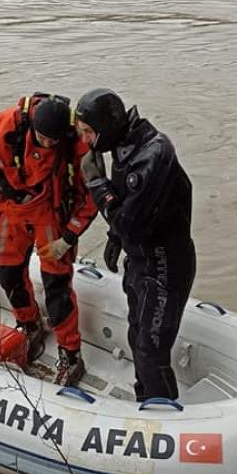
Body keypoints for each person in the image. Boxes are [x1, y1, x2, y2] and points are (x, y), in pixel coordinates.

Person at [75, 88, 196, 402]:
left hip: (166, 265)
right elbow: (131, 209)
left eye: (89, 132)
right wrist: (116, 239)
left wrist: (97, 185)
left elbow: (129, 220)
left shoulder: (152, 154)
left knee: (150, 350)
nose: (86, 141)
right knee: (135, 333)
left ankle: (167, 421)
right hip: (140, 260)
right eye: (81, 133)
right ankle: (146, 400)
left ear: (107, 125)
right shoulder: (122, 148)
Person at [0, 93, 97, 385]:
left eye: (55, 140)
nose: (49, 144)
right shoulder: (7, 127)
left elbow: (92, 196)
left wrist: (67, 238)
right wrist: (9, 194)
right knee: (9, 276)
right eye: (44, 138)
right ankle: (29, 325)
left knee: (57, 287)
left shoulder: (76, 145)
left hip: (51, 215)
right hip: (11, 211)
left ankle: (70, 354)